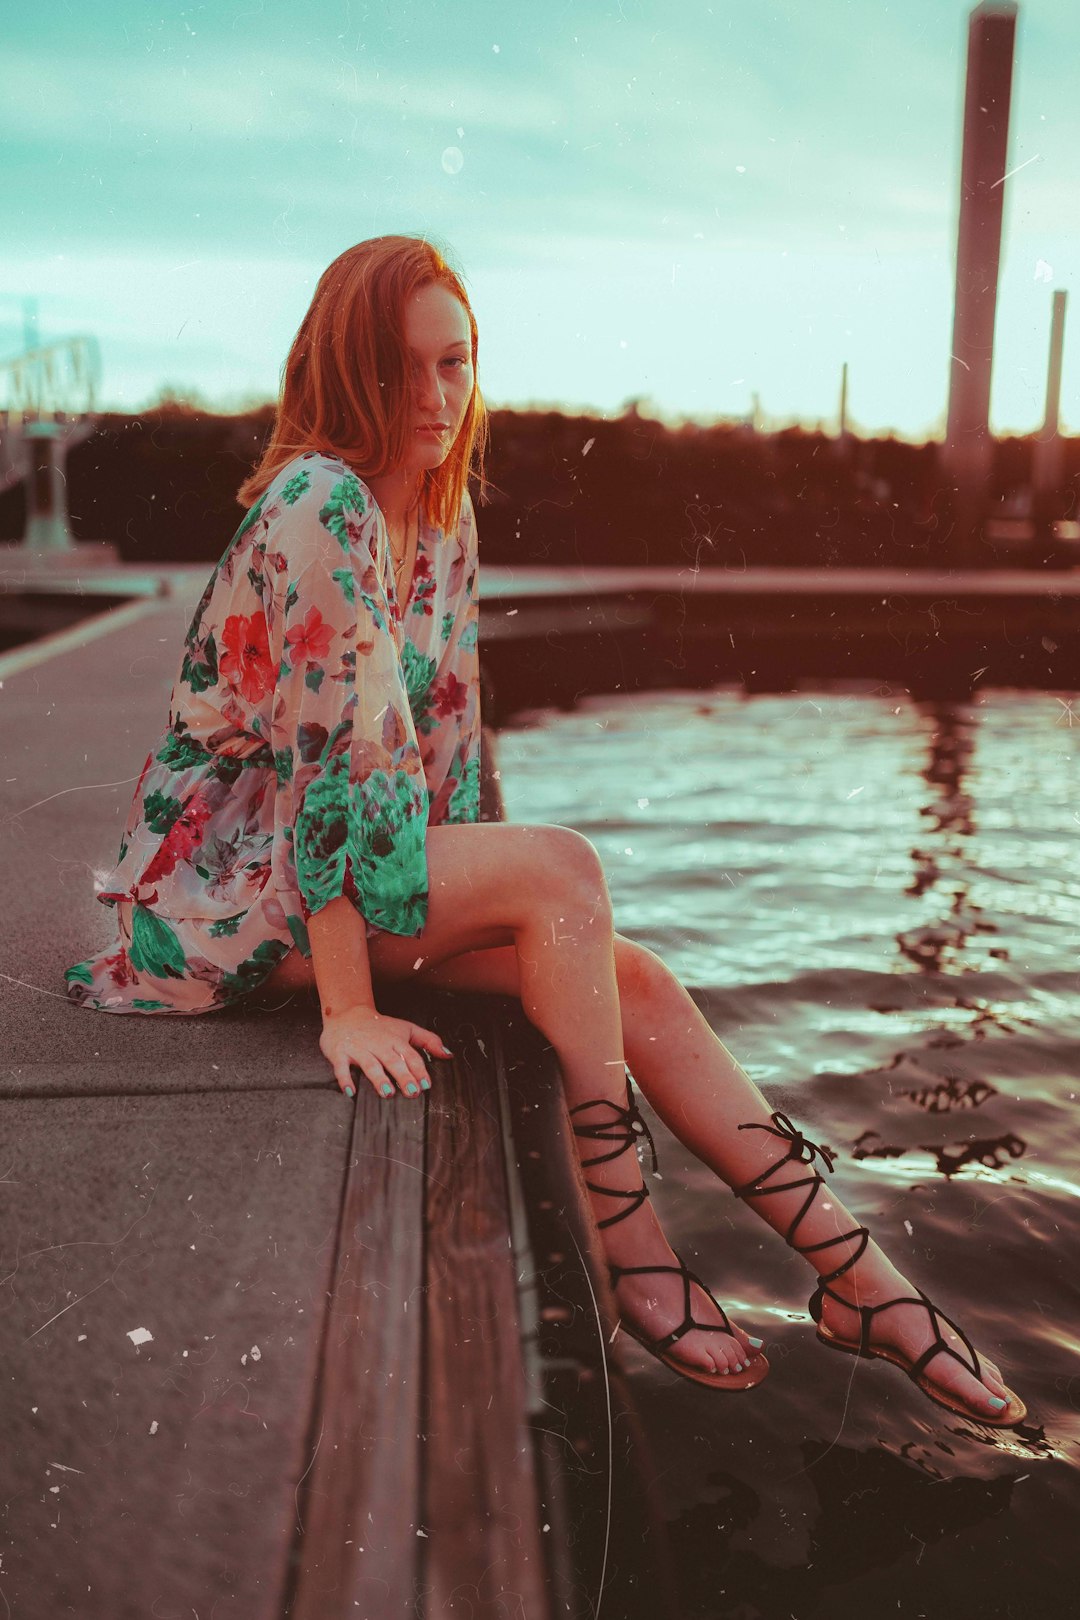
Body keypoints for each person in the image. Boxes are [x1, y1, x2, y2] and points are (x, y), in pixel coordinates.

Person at [64, 235, 1025, 1426]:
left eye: (453, 363)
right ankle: (633, 1246)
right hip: (217, 904)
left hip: (342, 883)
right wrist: (352, 1008)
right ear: (341, 372)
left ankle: (865, 1284)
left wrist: (512, 906)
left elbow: (452, 751)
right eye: (399, 368)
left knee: (635, 976)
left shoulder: (446, 515)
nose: (433, 396)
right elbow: (324, 773)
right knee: (568, 872)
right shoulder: (323, 503)